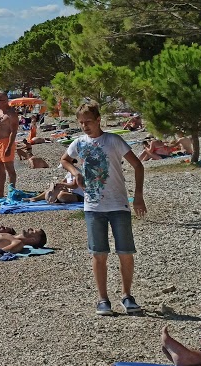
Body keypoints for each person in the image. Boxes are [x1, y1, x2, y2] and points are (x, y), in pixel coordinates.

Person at [61, 101, 147, 316]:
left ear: (98, 120)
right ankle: (103, 299)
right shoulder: (79, 143)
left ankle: (127, 295)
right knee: (99, 254)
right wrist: (75, 170)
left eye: (88, 122)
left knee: (125, 252)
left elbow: (138, 165)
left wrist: (138, 196)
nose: (84, 126)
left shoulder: (113, 140)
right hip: (92, 207)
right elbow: (64, 160)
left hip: (118, 205)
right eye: (81, 123)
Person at [0, 95, 20, 199]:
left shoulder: (11, 113)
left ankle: (11, 192)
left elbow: (14, 131)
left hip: (6, 142)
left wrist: (9, 146)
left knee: (10, 169)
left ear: (6, 101)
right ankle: (0, 193)